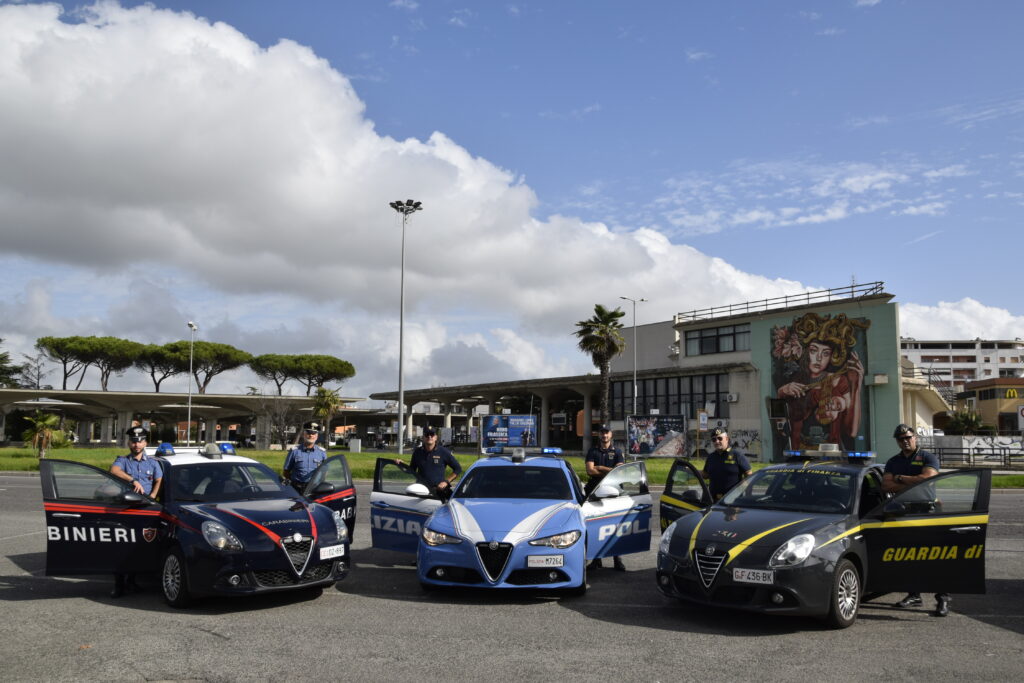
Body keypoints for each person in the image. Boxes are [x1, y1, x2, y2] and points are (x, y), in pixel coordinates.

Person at [883, 423, 950, 617]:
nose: (905, 441)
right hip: (905, 511)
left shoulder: (927, 457)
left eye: (908, 437)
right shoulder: (893, 461)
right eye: (901, 439)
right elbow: (886, 486)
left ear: (915, 438)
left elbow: (928, 478)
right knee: (909, 555)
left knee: (935, 557)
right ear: (897, 441)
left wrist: (900, 479)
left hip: (928, 511)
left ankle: (942, 598)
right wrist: (913, 478)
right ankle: (914, 595)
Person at [108, 425, 163, 597]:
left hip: (144, 511)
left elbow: (159, 479)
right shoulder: (123, 461)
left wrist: (153, 496)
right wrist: (132, 480)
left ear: (145, 443)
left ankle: (132, 581)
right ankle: (119, 585)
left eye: (140, 441)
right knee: (120, 548)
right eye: (133, 441)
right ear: (129, 443)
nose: (136, 445)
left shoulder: (153, 463)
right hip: (125, 510)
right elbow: (114, 471)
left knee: (138, 548)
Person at [585, 425, 626, 571]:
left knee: (615, 526)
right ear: (599, 435)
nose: (604, 436)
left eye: (606, 433)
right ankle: (597, 560)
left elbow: (620, 473)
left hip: (614, 493)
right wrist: (609, 471)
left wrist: (600, 467)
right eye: (602, 433)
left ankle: (617, 560)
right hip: (595, 493)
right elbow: (590, 470)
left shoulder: (618, 452)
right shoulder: (592, 451)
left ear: (611, 435)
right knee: (595, 526)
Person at [397, 426, 462, 502]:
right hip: (421, 492)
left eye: (432, 434)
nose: (429, 437)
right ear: (423, 437)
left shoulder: (443, 452)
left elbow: (458, 469)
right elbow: (412, 470)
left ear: (436, 437)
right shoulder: (417, 452)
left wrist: (446, 482)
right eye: (427, 435)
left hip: (438, 493)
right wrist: (401, 464)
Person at [701, 428, 751, 501]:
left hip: (733, 501)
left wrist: (739, 490)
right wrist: (691, 470)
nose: (717, 441)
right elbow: (705, 475)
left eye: (720, 438)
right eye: (714, 439)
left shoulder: (737, 455)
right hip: (713, 500)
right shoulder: (711, 457)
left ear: (727, 439)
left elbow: (749, 474)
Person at [283, 422, 328, 494]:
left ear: (316, 436)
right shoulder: (294, 451)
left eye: (313, 434)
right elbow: (286, 471)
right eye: (308, 433)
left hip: (314, 489)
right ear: (304, 435)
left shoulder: (322, 452)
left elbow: (325, 472)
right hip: (297, 489)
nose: (311, 435)